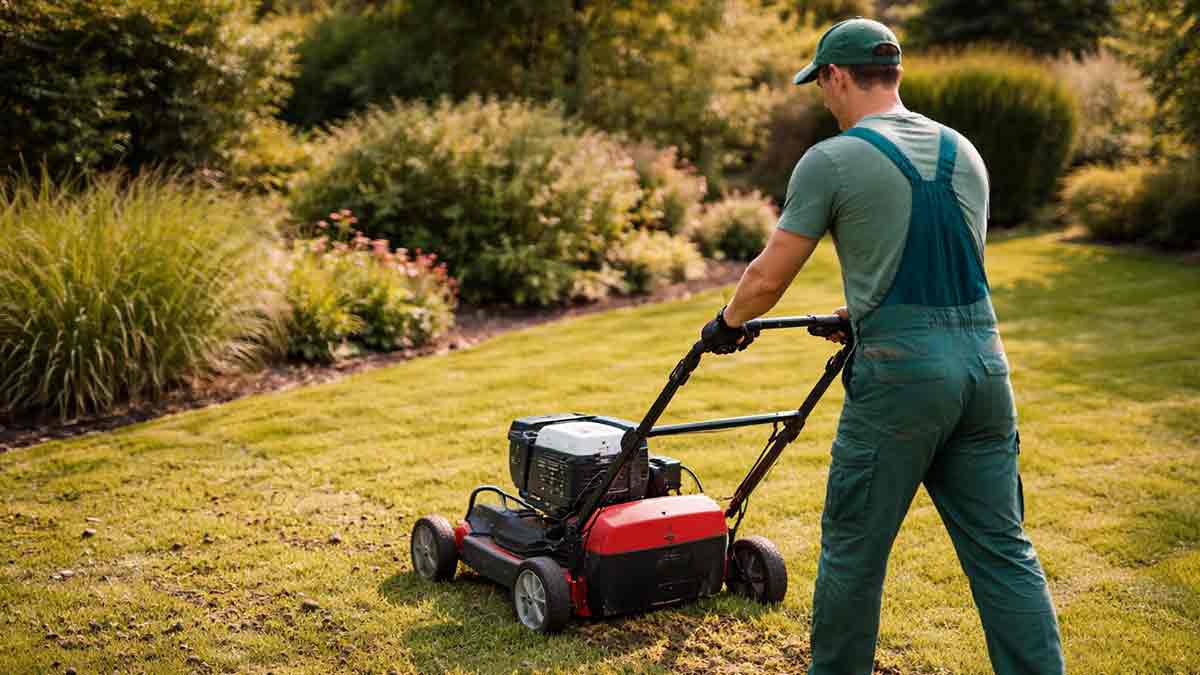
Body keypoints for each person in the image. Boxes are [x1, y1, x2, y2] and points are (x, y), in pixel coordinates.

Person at [698, 17, 1065, 675]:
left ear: (837, 76)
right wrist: (859, 311)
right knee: (1004, 549)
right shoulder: (964, 151)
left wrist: (726, 324)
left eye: (821, 84)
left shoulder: (832, 159)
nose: (823, 96)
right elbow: (939, 266)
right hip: (984, 370)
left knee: (854, 550)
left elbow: (767, 277)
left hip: (900, 381)